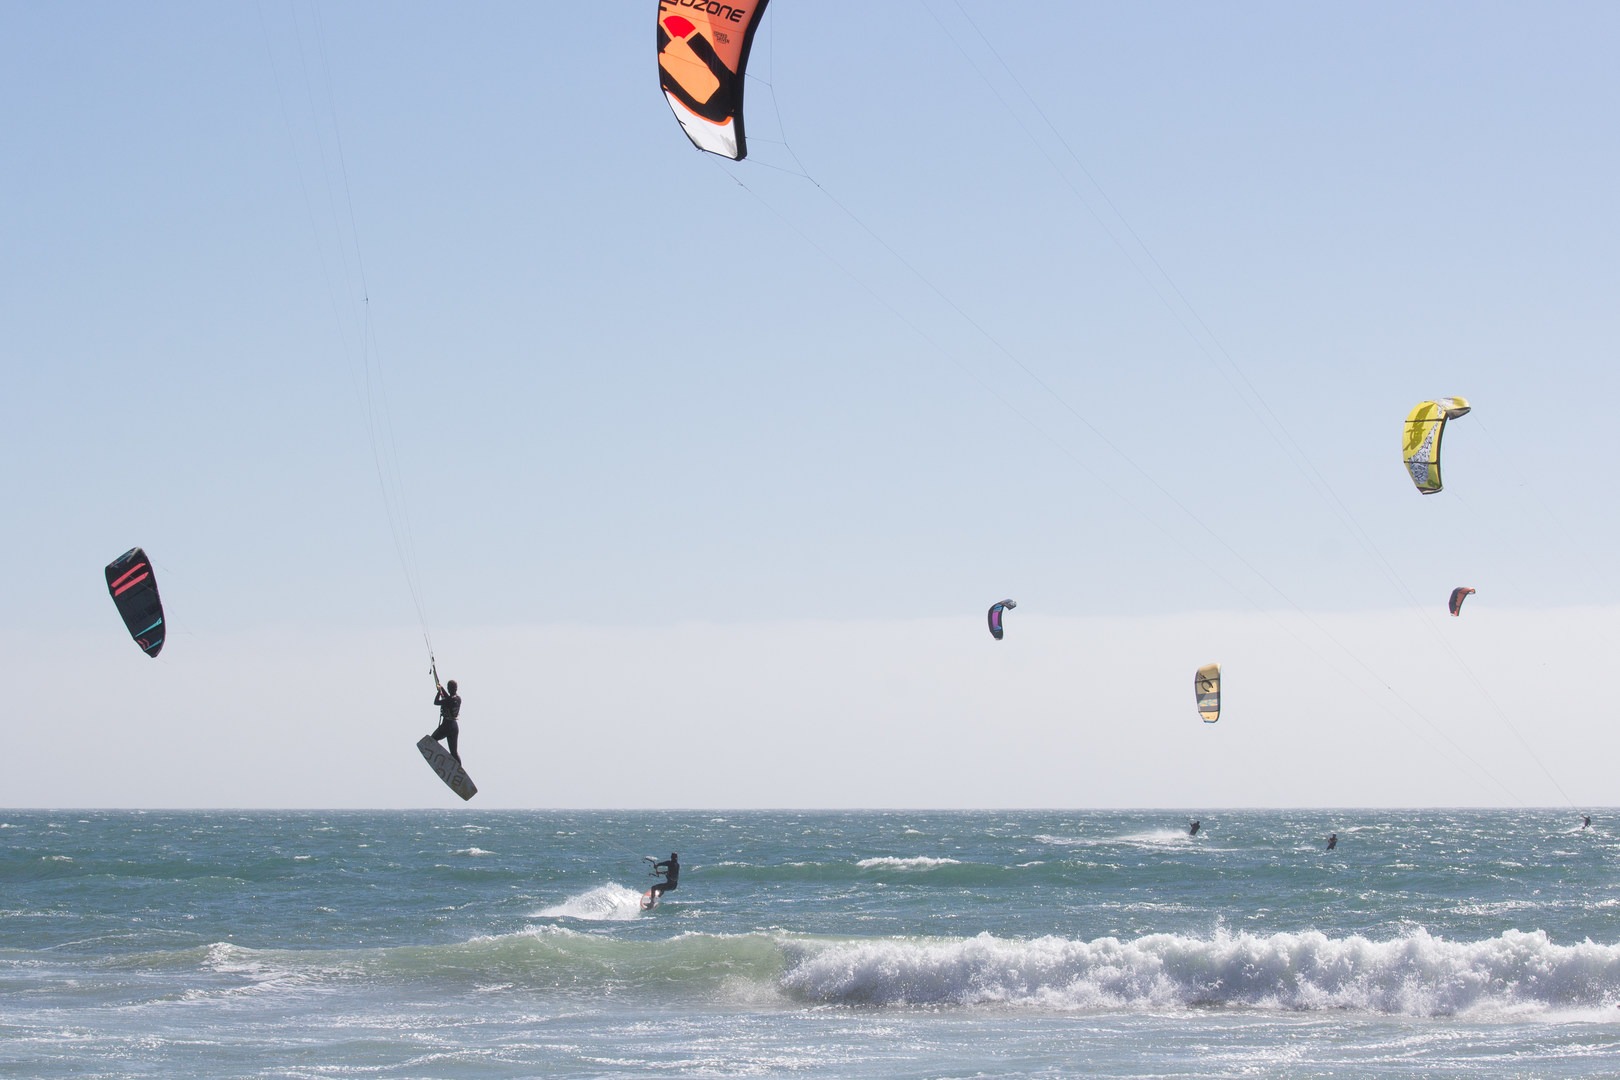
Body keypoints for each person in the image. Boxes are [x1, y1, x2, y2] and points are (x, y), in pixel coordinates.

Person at [431, 677, 462, 764]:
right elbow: (448, 698)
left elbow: (436, 702)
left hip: (447, 726)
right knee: (454, 752)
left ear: (449, 689)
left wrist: (438, 692)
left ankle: (440, 759)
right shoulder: (458, 699)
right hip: (454, 726)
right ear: (456, 688)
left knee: (432, 740)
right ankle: (460, 768)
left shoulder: (449, 700)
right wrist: (441, 688)